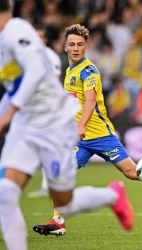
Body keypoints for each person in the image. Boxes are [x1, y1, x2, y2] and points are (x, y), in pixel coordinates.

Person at [33, 24, 142, 237]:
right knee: (60, 174)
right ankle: (58, 222)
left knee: (133, 172)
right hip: (79, 139)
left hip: (100, 135)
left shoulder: (88, 70)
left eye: (80, 44)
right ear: (65, 46)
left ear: (86, 46)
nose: (75, 48)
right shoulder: (69, 71)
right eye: (71, 44)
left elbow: (90, 100)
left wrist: (81, 125)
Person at [0, 2, 134, 250]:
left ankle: (113, 195)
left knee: (65, 204)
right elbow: (12, 88)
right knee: (6, 193)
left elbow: (36, 70)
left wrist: (8, 114)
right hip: (26, 125)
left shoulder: (14, 31)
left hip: (53, 124)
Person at [27, 25, 62, 198]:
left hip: (48, 108)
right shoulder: (29, 56)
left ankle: (49, 185)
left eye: (42, 36)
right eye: (37, 36)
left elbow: (55, 83)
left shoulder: (50, 57)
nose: (39, 39)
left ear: (46, 39)